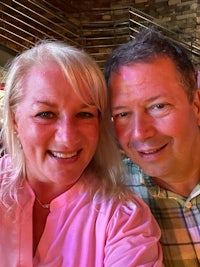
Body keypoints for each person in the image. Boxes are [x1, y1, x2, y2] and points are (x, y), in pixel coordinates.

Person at [0, 40, 163, 266]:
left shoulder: (122, 218)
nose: (67, 137)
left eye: (85, 114)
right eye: (46, 114)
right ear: (15, 119)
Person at [104, 27, 200, 266]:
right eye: (123, 114)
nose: (140, 133)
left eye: (158, 106)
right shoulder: (112, 198)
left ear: (196, 105)